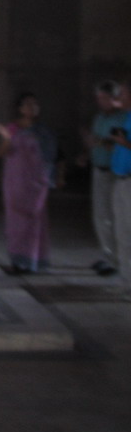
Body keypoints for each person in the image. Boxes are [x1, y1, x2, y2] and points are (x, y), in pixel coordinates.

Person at [0, 92, 57, 274]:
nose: (32, 108)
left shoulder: (43, 132)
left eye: (35, 104)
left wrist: (53, 177)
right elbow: (0, 152)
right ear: (20, 108)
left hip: (36, 182)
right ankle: (17, 259)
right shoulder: (13, 128)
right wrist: (7, 138)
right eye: (28, 104)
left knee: (34, 220)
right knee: (15, 220)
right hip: (15, 180)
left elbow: (50, 157)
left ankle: (33, 260)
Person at [79, 80, 121, 275]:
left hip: (115, 172)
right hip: (99, 169)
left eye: (104, 98)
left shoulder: (122, 119)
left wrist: (99, 142)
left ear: (114, 99)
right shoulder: (99, 118)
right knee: (100, 215)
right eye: (99, 98)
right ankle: (107, 255)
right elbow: (95, 142)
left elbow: (118, 144)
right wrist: (86, 154)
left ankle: (118, 259)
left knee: (116, 216)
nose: (101, 102)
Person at [109, 78, 131, 285]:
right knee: (122, 233)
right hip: (121, 180)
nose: (118, 98)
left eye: (122, 94)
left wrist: (125, 143)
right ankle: (127, 279)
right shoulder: (126, 118)